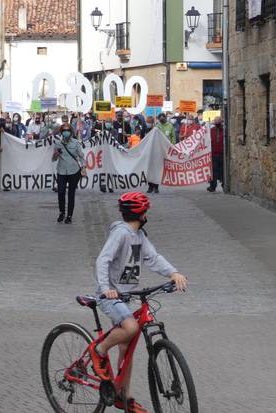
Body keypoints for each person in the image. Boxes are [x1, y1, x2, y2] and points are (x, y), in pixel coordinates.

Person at [90, 192, 188, 413]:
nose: (147, 214)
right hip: (110, 297)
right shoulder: (121, 234)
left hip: (125, 296)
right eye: (145, 211)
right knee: (132, 327)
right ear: (140, 213)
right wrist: (106, 289)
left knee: (128, 344)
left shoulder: (139, 235)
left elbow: (153, 258)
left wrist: (173, 273)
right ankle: (99, 349)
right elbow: (102, 260)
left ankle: (123, 395)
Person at [53, 124, 86, 224]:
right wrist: (56, 154)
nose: (66, 132)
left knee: (71, 194)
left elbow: (81, 156)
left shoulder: (76, 143)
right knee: (61, 192)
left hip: (74, 171)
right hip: (61, 171)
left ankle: (69, 216)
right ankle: (61, 212)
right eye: (64, 130)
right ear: (61, 132)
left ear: (71, 132)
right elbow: (53, 159)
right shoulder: (58, 143)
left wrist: (83, 168)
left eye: (67, 130)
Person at [147, 113, 176, 193]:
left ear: (165, 118)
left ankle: (156, 187)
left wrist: (172, 146)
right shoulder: (156, 127)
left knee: (158, 169)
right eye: (160, 118)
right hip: (154, 150)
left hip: (164, 150)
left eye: (163, 118)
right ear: (159, 119)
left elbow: (173, 136)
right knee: (150, 169)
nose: (162, 119)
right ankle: (150, 187)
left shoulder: (170, 126)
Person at [208, 116, 225, 192]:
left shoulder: (224, 130)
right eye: (216, 122)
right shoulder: (211, 130)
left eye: (219, 122)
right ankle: (212, 186)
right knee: (213, 171)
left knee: (223, 171)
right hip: (214, 154)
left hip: (223, 154)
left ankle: (225, 185)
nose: (217, 123)